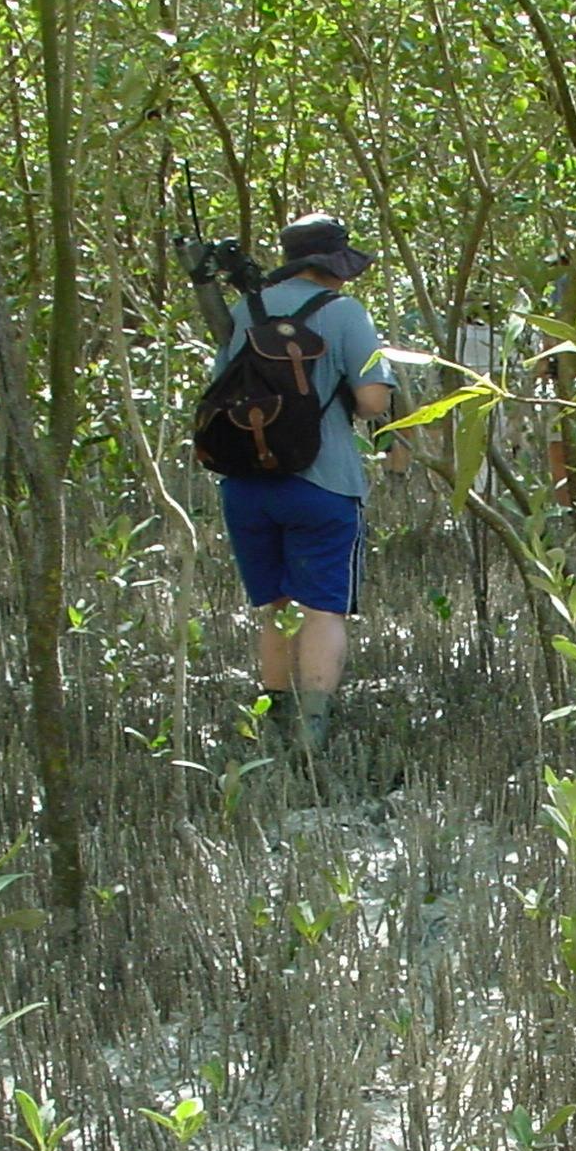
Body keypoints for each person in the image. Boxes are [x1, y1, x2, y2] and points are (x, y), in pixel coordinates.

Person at [209, 213, 396, 756]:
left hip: (245, 483)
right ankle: (311, 737)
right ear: (335, 265)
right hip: (324, 481)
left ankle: (271, 731)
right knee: (321, 610)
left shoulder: (249, 308)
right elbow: (374, 401)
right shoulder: (344, 313)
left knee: (275, 606)